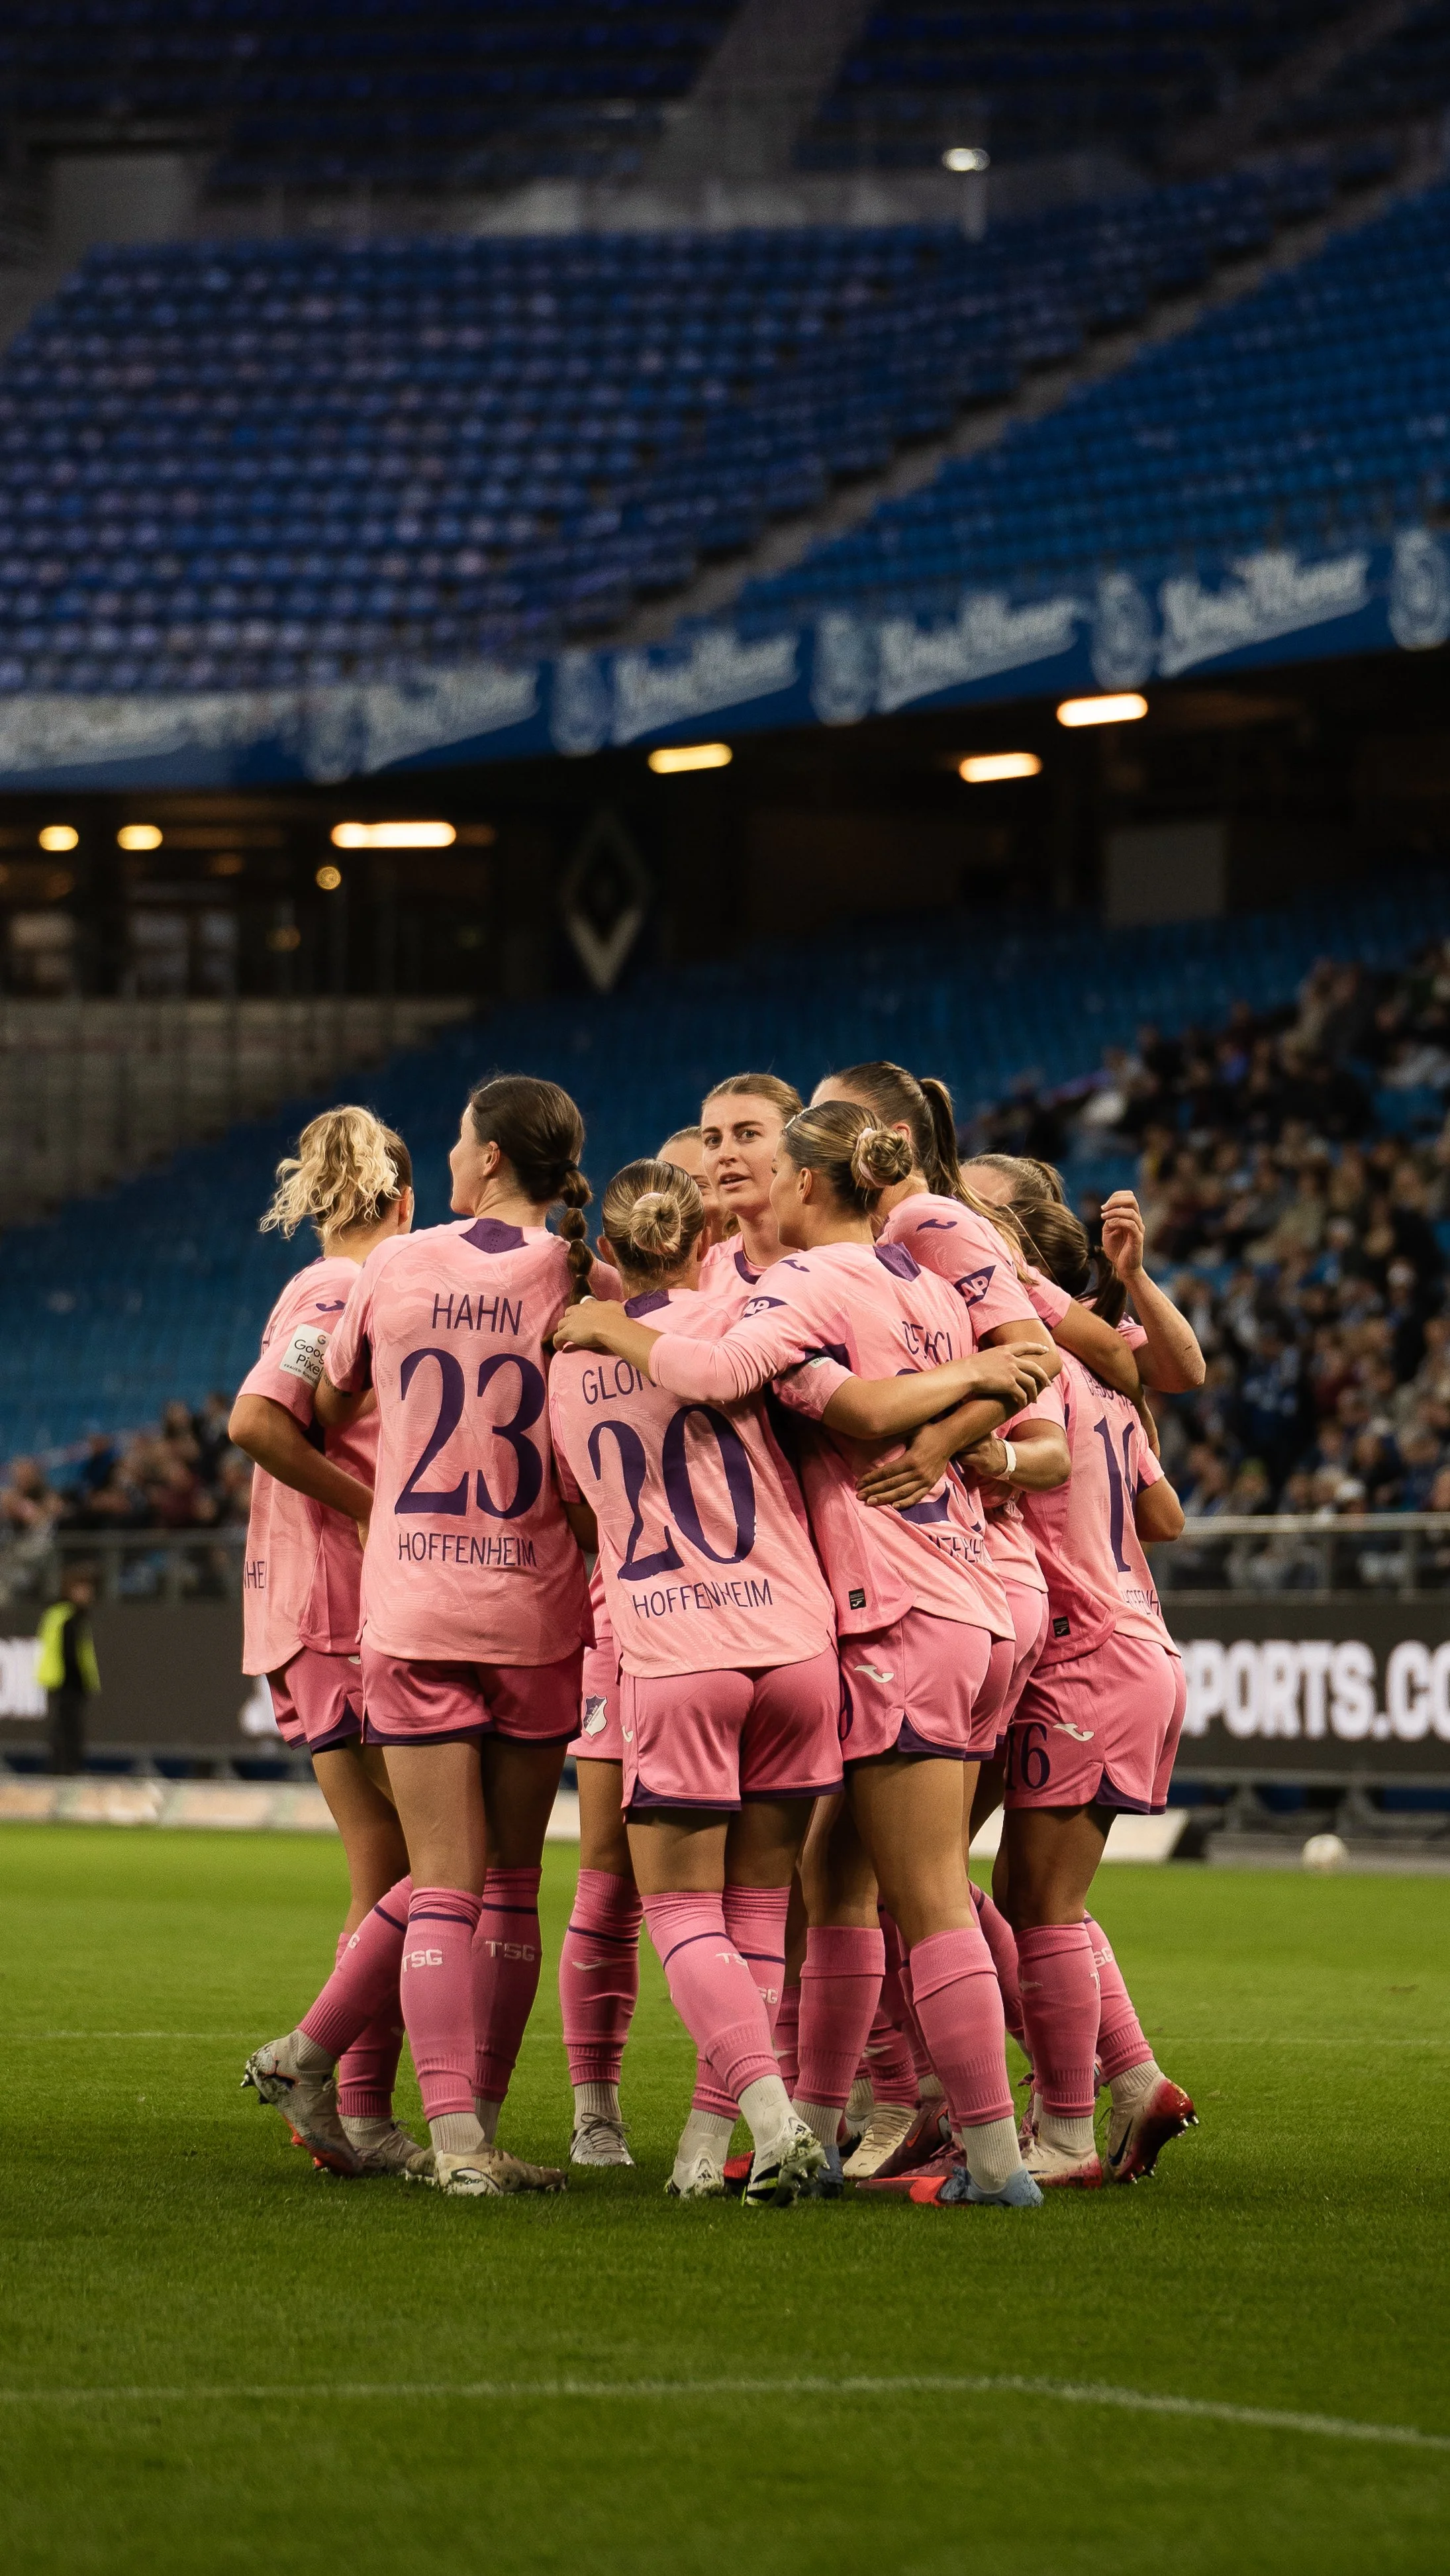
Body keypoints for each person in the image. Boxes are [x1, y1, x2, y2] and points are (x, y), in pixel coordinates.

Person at [556, 1098, 1055, 2207]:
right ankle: (821, 2131)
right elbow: (923, 1393)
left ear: (814, 1184)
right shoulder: (924, 1283)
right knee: (840, 1888)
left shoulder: (804, 1288)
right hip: (969, 1603)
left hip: (890, 1611)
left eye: (776, 1165)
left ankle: (996, 2158)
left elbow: (722, 1373)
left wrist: (615, 1329)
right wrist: (964, 1404)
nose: (760, 1185)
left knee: (919, 1895)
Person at [246, 1075, 610, 2199]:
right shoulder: (582, 1280)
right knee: (506, 1885)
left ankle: (440, 2138)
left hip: (410, 1604)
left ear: (489, 1159)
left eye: (459, 1138)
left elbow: (336, 1389)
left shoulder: (393, 1268)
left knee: (434, 1884)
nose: (449, 1154)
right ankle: (470, 2128)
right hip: (535, 1607)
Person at [552, 1156, 846, 2204]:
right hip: (797, 1643)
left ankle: (767, 2123)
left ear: (608, 1255)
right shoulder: (744, 1319)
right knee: (761, 1910)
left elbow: (584, 1512)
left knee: (678, 1910)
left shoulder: (569, 1366)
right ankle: (698, 2150)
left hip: (675, 1652)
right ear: (694, 1240)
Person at [950, 1187, 1196, 2189]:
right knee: (1018, 1891)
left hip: (1080, 1656)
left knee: (1023, 1899)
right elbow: (1167, 1516)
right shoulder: (1099, 1384)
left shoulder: (1032, 1364)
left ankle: (1056, 2126)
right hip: (1127, 1644)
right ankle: (1128, 2078)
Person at [232, 1105, 426, 2181]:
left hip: (334, 1607)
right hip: (341, 1609)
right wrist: (368, 1505)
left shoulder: (323, 1286)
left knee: (392, 1863)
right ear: (403, 1203)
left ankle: (351, 2110)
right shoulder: (339, 1292)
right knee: (409, 1864)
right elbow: (258, 1422)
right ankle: (338, 2088)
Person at [558, 1118, 725, 2172]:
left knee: (768, 1885)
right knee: (611, 1875)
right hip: (638, 1624)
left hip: (719, 1626)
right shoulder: (730, 1315)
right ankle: (600, 2107)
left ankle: (779, 2102)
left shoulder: (590, 1334)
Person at [37, 1565, 99, 1774]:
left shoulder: (66, 1615)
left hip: (66, 1680)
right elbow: (68, 1653)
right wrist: (81, 1679)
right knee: (67, 1727)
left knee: (68, 1726)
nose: (87, 1594)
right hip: (65, 1681)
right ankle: (65, 1768)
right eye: (82, 1589)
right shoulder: (67, 1616)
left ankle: (66, 1766)